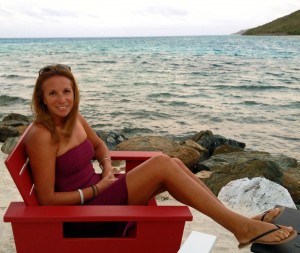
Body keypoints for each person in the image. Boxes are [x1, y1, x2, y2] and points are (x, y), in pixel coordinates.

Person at [26, 64, 297, 249]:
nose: (62, 99)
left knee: (174, 162)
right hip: (85, 216)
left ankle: (243, 223)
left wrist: (107, 170)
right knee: (161, 163)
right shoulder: (41, 135)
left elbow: (99, 146)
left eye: (66, 91)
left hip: (102, 195)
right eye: (53, 93)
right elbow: (47, 199)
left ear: (74, 93)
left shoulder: (75, 119)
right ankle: (241, 227)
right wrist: (98, 187)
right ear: (42, 98)